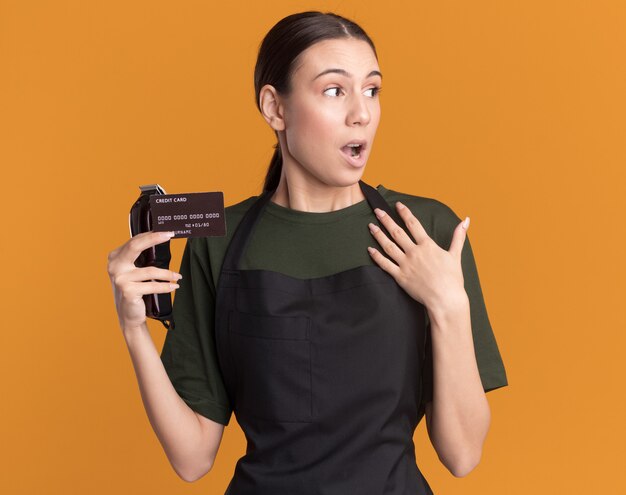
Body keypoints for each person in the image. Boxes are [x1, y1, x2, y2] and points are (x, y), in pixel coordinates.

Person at [107, 10, 508, 494]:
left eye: (372, 89)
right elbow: (192, 459)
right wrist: (133, 329)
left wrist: (449, 303)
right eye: (335, 91)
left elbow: (462, 455)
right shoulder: (219, 241)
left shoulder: (427, 231)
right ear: (275, 108)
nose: (361, 113)